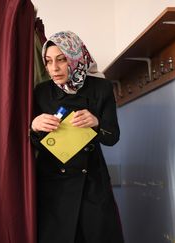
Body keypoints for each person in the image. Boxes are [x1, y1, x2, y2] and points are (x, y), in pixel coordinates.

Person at [30, 31, 124, 243]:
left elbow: (112, 137)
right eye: (48, 61)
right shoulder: (41, 92)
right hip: (54, 185)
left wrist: (96, 123)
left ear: (75, 58)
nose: (54, 68)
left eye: (61, 60)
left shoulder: (101, 88)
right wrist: (34, 127)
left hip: (92, 182)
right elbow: (33, 143)